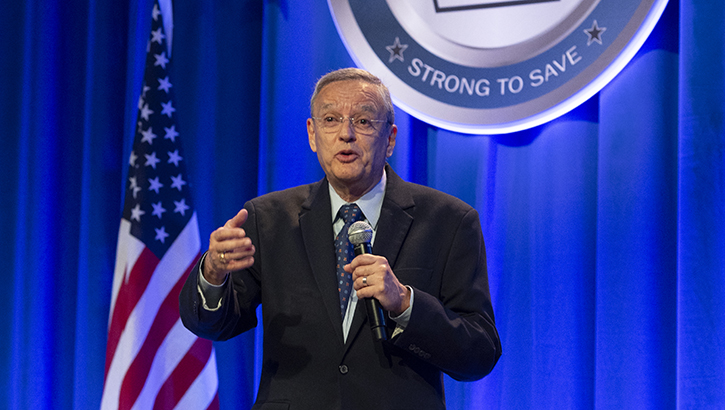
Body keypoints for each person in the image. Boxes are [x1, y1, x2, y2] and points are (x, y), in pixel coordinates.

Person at [180, 67, 501, 409]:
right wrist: (213, 273)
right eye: (331, 119)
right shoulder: (268, 219)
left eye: (363, 122)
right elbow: (213, 324)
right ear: (313, 134)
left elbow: (479, 353)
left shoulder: (448, 221)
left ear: (390, 139)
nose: (346, 134)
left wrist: (405, 304)